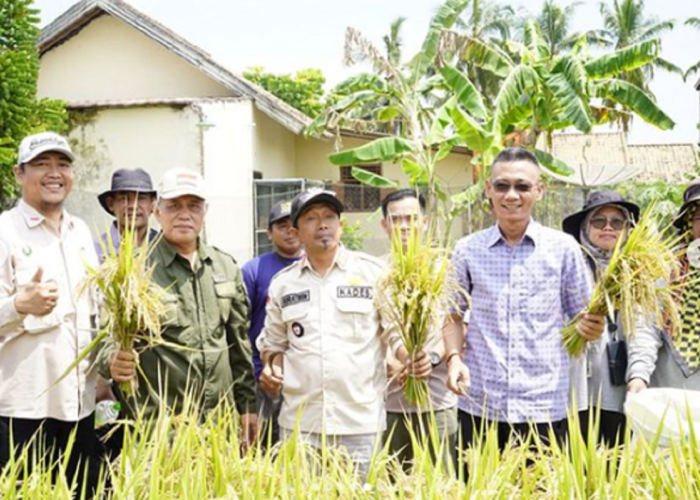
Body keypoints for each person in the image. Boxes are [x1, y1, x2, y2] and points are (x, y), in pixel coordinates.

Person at [444, 147, 605, 457]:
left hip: (544, 406)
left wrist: (591, 327)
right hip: (481, 403)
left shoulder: (563, 249)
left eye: (523, 186)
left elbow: (584, 319)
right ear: (488, 189)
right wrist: (453, 359)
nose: (511, 196)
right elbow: (452, 315)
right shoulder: (467, 250)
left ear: (539, 191)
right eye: (502, 186)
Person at [97, 168, 257, 443]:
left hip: (220, 425)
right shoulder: (134, 268)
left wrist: (248, 406)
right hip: (159, 428)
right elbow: (106, 336)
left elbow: (239, 348)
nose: (185, 214)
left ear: (205, 213)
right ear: (158, 212)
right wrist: (112, 361)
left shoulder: (225, 266)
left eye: (194, 206)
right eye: (174, 206)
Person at [257, 189, 409, 478]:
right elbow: (273, 344)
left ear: (341, 225)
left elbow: (394, 332)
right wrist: (272, 368)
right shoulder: (283, 285)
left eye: (329, 216)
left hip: (360, 425)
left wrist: (408, 356)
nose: (322, 224)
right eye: (312, 218)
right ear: (296, 231)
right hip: (301, 425)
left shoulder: (373, 274)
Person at [0, 132, 100, 489]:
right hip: (23, 411)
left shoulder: (81, 232)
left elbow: (94, 312)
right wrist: (17, 305)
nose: (54, 172)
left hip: (81, 405)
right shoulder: (4, 231)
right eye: (41, 164)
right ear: (18, 173)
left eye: (62, 164)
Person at [379, 189, 458, 472]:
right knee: (393, 483)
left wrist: (432, 358)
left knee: (442, 482)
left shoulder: (444, 268)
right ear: (384, 225)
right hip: (389, 402)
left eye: (411, 218)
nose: (403, 225)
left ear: (424, 222)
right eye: (395, 218)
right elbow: (374, 331)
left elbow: (453, 323)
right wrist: (392, 361)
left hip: (436, 400)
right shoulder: (377, 272)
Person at [562, 190, 644, 445]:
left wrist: (638, 375)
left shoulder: (640, 272)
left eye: (617, 222)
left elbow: (644, 329)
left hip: (619, 390)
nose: (608, 227)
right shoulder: (568, 266)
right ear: (585, 227)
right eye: (599, 221)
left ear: (628, 229)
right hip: (573, 389)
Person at [627, 180, 700, 392]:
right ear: (688, 223)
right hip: (669, 393)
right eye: (699, 218)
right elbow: (646, 326)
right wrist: (639, 375)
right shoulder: (664, 270)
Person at [241, 199, 302, 444]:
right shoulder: (254, 270)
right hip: (264, 379)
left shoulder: (316, 266)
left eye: (293, 225)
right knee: (264, 445)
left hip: (306, 380)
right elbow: (241, 326)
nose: (289, 231)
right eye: (281, 226)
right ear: (269, 232)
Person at [95, 168, 158, 262]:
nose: (133, 206)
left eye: (140, 198)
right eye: (124, 198)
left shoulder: (165, 248)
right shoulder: (94, 250)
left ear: (153, 204)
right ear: (111, 203)